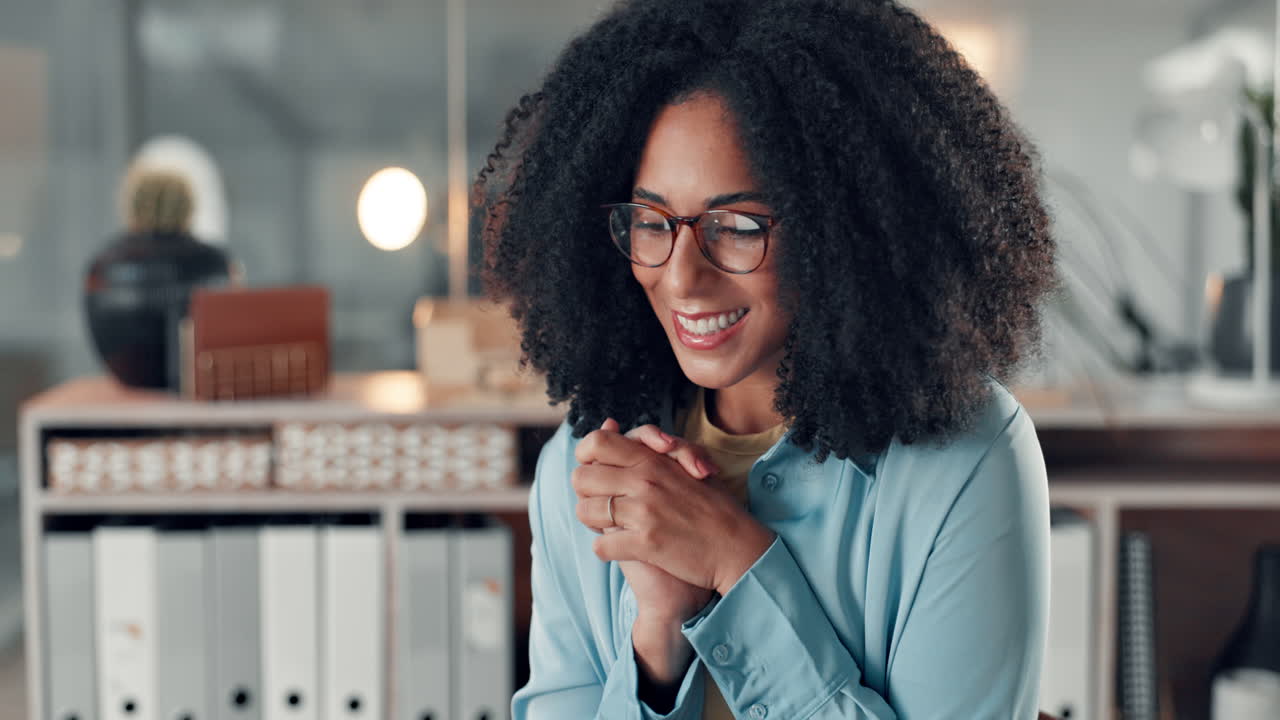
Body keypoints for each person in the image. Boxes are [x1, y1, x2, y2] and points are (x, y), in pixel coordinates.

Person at [474, 0, 1058, 717]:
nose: (682, 277)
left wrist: (735, 562)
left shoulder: (966, 461)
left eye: (739, 227)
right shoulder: (587, 461)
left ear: (846, 230)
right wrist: (656, 641)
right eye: (653, 222)